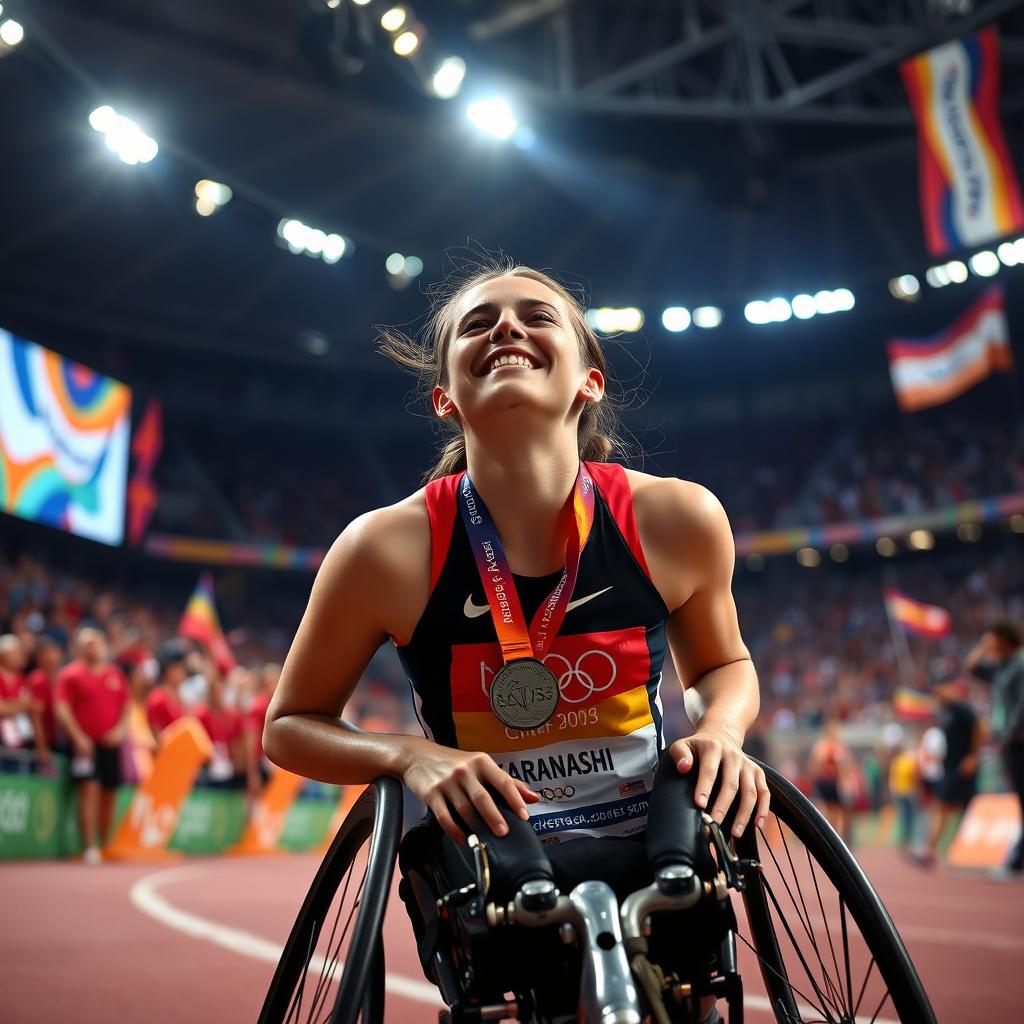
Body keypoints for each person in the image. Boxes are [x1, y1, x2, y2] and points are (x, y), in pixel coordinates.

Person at [263, 261, 770, 1023]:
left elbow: (725, 665)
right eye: (478, 322)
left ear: (589, 381)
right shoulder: (384, 549)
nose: (506, 327)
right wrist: (410, 754)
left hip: (650, 828)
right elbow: (289, 727)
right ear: (445, 399)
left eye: (536, 316)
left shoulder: (678, 519)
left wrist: (724, 731)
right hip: (493, 849)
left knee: (686, 921)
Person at [54, 627, 131, 864]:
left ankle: (105, 843)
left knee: (109, 793)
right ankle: (89, 847)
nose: (92, 646)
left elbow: (126, 707)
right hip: (84, 746)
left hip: (110, 745)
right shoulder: (70, 675)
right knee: (89, 790)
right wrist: (77, 736)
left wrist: (120, 731)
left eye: (96, 642)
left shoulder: (115, 675)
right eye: (86, 643)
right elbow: (62, 708)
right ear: (78, 647)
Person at [966, 621, 1024, 882]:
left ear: (1005, 638)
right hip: (1011, 742)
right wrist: (984, 645)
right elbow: (972, 667)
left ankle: (1015, 862)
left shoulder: (1020, 663)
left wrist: (1009, 731)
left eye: (993, 639)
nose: (989, 644)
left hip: (1019, 740)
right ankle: (1016, 861)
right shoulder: (1000, 665)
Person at [911, 678, 981, 867]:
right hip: (950, 768)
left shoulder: (962, 709)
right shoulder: (945, 712)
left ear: (951, 689)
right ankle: (931, 850)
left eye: (941, 690)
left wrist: (973, 757)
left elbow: (980, 729)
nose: (938, 695)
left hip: (963, 768)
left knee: (958, 808)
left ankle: (936, 850)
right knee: (944, 807)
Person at [808, 720, 851, 839]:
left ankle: (830, 838)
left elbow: (814, 765)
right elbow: (841, 766)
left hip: (823, 782)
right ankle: (837, 839)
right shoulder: (836, 746)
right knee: (837, 812)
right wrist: (844, 781)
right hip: (832, 782)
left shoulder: (820, 746)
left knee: (828, 811)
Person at [146, 640, 188, 740]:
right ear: (168, 670)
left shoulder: (179, 694)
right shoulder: (157, 699)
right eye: (178, 667)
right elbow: (157, 738)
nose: (183, 671)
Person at [888, 739, 918, 853]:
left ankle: (907, 840)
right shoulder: (901, 761)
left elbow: (914, 777)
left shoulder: (908, 761)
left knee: (909, 816)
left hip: (908, 792)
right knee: (906, 816)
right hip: (902, 792)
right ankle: (905, 841)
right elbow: (893, 778)